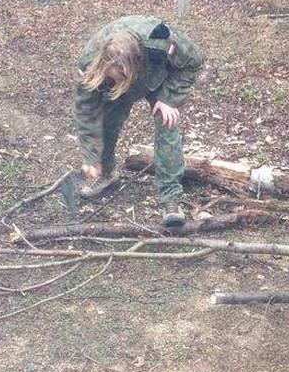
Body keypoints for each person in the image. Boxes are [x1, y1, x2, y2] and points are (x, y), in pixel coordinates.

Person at [74, 16, 204, 226]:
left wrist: (170, 99)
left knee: (167, 124)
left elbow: (194, 62)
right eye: (113, 75)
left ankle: (170, 197)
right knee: (106, 122)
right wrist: (91, 154)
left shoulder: (160, 41)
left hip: (158, 77)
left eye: (120, 76)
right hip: (116, 87)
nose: (117, 79)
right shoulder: (90, 60)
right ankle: (107, 174)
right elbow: (86, 109)